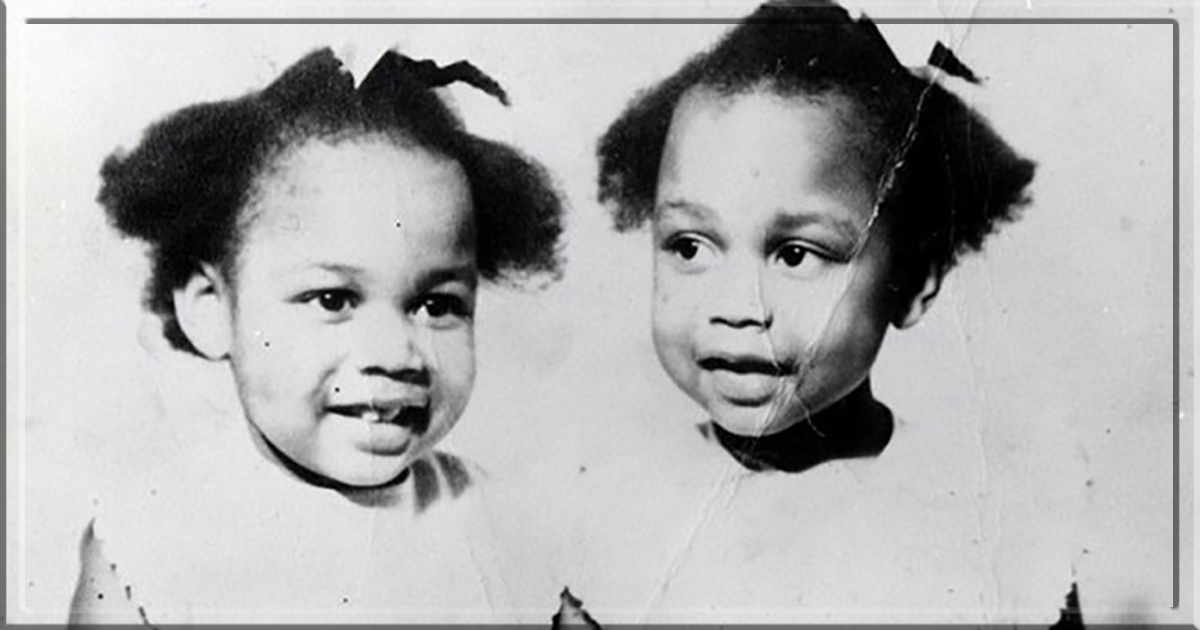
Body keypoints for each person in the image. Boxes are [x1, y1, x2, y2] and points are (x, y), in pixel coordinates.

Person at [585, 0, 1056, 621]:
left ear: (914, 282)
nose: (737, 308)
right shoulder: (608, 515)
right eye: (690, 247)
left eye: (796, 254)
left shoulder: (983, 517)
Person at [68, 47, 563, 624]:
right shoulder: (153, 543)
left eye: (437, 305)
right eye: (333, 299)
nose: (395, 354)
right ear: (210, 308)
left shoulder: (496, 521)